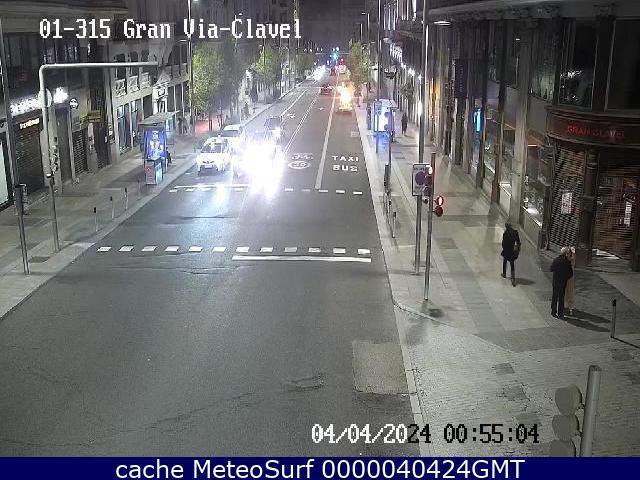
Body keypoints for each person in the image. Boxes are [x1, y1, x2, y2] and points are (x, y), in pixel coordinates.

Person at [551, 247, 574, 319]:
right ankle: (560, 313)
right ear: (566, 254)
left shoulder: (556, 260)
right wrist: (565, 277)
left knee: (554, 296)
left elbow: (551, 268)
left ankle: (553, 311)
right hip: (563, 282)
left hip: (555, 281)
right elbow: (571, 273)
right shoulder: (567, 262)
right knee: (561, 297)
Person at [565, 247, 576, 315]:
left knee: (570, 293)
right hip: (564, 279)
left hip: (570, 279)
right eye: (566, 253)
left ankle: (570, 307)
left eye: (568, 253)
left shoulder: (572, 260)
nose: (567, 255)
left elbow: (574, 255)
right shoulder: (564, 260)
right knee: (565, 292)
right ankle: (565, 306)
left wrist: (573, 251)